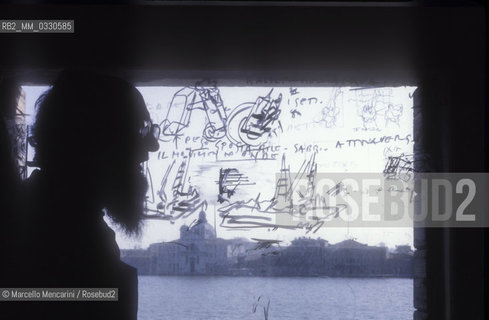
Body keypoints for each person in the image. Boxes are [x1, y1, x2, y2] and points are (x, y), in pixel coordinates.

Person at [3, 70, 159, 319]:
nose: (152, 145)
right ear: (92, 138)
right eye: (141, 130)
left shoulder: (46, 222)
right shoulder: (59, 240)